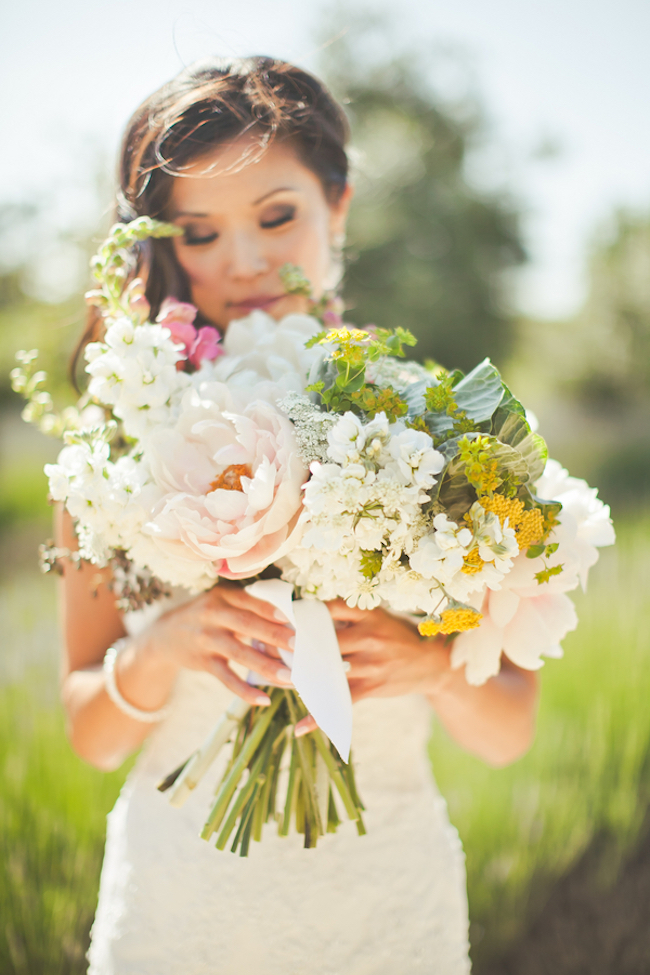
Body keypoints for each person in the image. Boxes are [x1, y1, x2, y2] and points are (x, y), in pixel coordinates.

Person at [57, 56, 538, 975]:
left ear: (339, 205)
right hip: (181, 911)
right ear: (164, 242)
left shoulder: (442, 422)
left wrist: (431, 665)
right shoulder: (119, 437)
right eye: (198, 233)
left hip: (387, 909)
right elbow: (88, 733)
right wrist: (165, 648)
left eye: (277, 216)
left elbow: (511, 730)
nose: (241, 262)